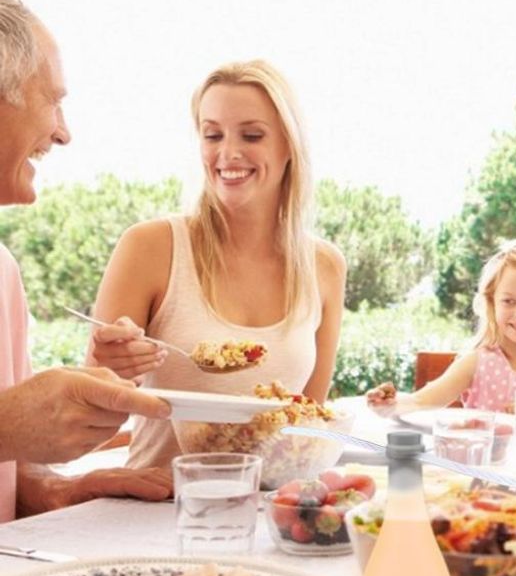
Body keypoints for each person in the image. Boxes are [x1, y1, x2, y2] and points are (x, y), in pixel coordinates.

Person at [88, 60, 347, 470]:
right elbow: (91, 409)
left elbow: (307, 426)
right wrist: (109, 368)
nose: (228, 154)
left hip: (266, 514)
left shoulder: (324, 267)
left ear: (289, 147)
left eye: (252, 135)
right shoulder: (149, 247)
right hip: (152, 509)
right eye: (212, 135)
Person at [0, 0, 171, 522]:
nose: (63, 132)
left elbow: (11, 473)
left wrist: (58, 492)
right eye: (52, 99)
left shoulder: (3, 269)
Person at [367, 239, 516, 416]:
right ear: (492, 301)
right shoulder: (476, 363)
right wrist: (388, 403)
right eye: (509, 301)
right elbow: (421, 401)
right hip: (479, 471)